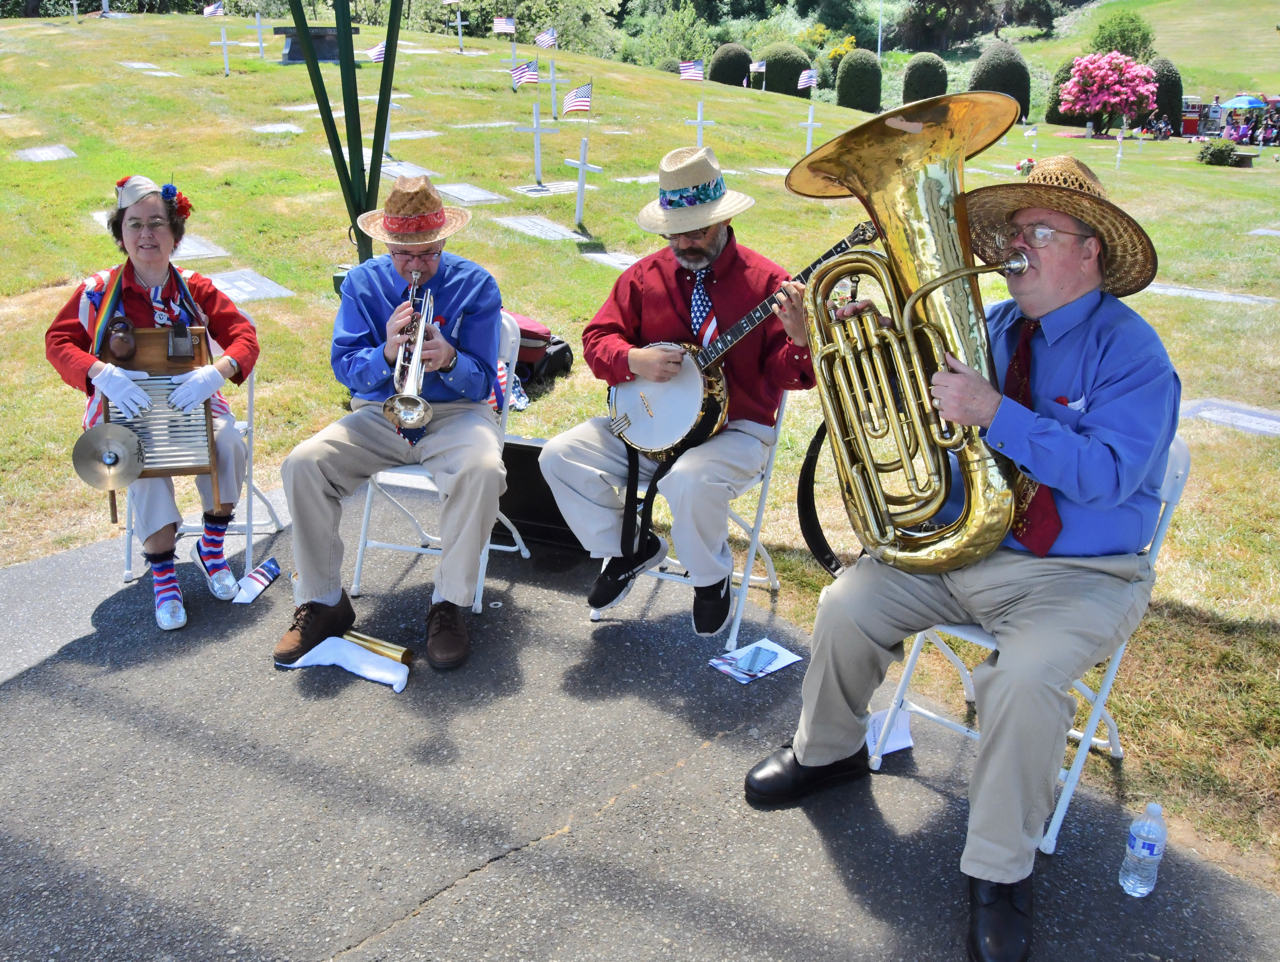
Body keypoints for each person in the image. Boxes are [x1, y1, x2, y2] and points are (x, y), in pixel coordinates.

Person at [743, 157, 1179, 962]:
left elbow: (1111, 479)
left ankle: (1000, 871)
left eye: (1039, 233)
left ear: (1090, 252)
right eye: (1014, 233)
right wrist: (832, 344)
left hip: (1080, 576)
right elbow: (912, 404)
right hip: (971, 546)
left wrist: (996, 413)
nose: (1018, 247)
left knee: (1019, 680)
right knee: (847, 603)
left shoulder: (1133, 354)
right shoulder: (998, 329)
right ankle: (828, 753)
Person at [539, 147, 814, 636]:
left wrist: (799, 339)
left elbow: (789, 376)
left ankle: (710, 579)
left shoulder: (767, 283)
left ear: (723, 221)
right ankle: (630, 548)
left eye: (698, 229)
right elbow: (597, 339)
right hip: (652, 425)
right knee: (559, 455)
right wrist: (633, 359)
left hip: (737, 431)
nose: (685, 241)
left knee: (686, 479)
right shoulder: (645, 278)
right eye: (675, 230)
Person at [275, 176, 505, 671]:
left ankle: (449, 605)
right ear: (387, 245)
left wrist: (448, 360)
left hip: (455, 414)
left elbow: (483, 381)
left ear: (443, 240)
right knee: (303, 464)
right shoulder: (364, 283)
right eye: (404, 254)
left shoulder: (476, 285)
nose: (416, 265)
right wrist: (384, 353)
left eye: (426, 253)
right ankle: (324, 601)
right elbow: (345, 368)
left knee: (483, 469)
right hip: (379, 411)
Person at [46, 175, 259, 631]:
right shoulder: (97, 293)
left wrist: (214, 373)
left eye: (157, 224)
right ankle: (163, 574)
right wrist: (100, 372)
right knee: (135, 458)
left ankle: (211, 548)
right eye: (134, 224)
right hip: (126, 409)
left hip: (193, 404)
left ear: (175, 234)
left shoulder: (197, 289)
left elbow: (244, 338)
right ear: (121, 235)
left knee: (230, 446)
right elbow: (58, 341)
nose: (146, 235)